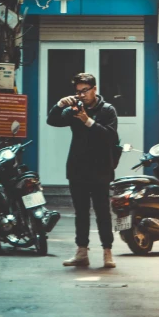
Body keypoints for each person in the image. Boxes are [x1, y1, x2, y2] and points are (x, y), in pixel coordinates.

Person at [47, 72, 118, 269]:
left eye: (85, 91)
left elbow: (110, 137)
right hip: (78, 169)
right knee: (81, 213)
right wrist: (60, 105)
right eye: (78, 91)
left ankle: (107, 252)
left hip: (101, 169)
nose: (81, 95)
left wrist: (88, 121)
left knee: (103, 212)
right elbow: (53, 121)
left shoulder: (107, 110)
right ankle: (81, 252)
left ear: (95, 89)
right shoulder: (74, 108)